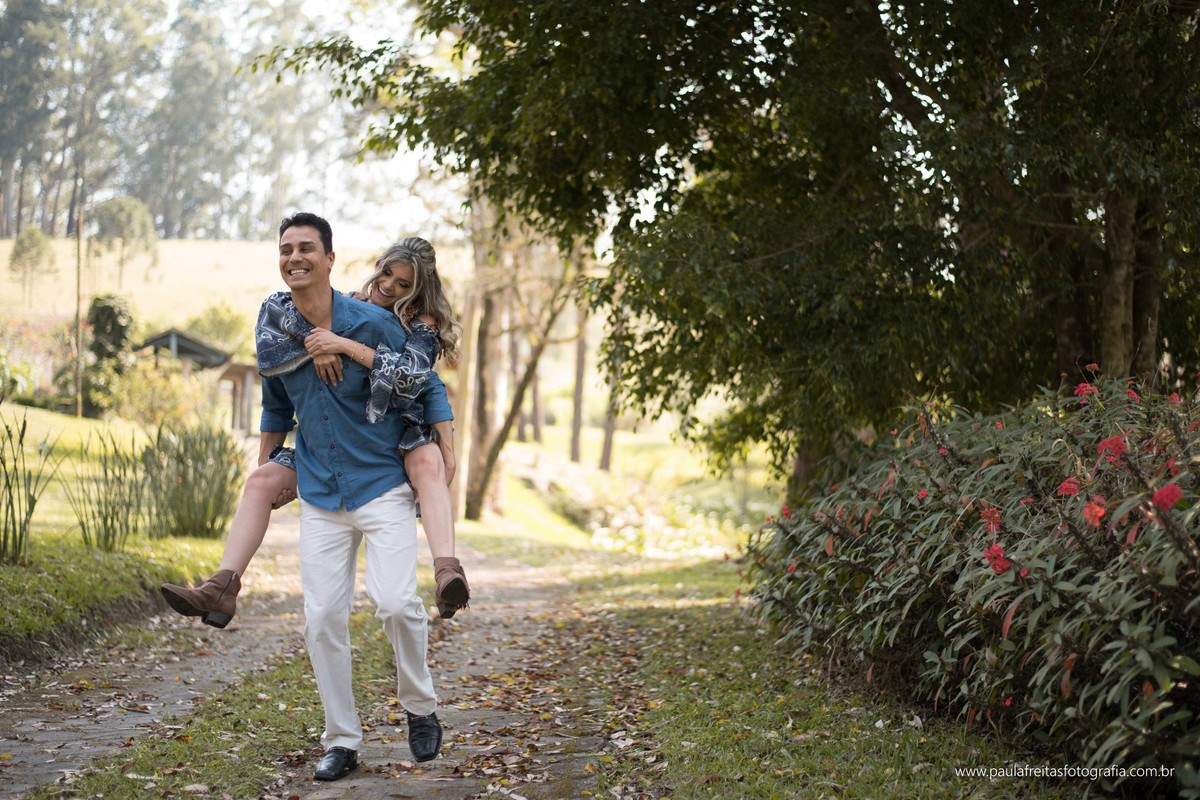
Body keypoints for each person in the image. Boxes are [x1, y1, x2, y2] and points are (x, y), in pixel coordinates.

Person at [219, 213, 445, 779]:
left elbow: (420, 381)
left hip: (381, 486)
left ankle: (420, 705)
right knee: (321, 618)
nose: (294, 257)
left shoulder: (376, 324)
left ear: (330, 258)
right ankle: (341, 740)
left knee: (396, 604)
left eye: (306, 248)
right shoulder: (276, 326)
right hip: (321, 492)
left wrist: (442, 445)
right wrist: (268, 468)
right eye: (286, 248)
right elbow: (275, 404)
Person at [159, 239, 470, 628]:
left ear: (418, 292)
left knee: (428, 460)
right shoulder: (344, 303)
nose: (389, 286)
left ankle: (446, 573)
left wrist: (341, 345)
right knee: (260, 480)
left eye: (404, 284)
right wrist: (316, 346)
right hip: (331, 438)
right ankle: (222, 588)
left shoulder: (419, 323)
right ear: (377, 265)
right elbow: (293, 331)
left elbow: (422, 382)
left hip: (396, 435)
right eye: (387, 273)